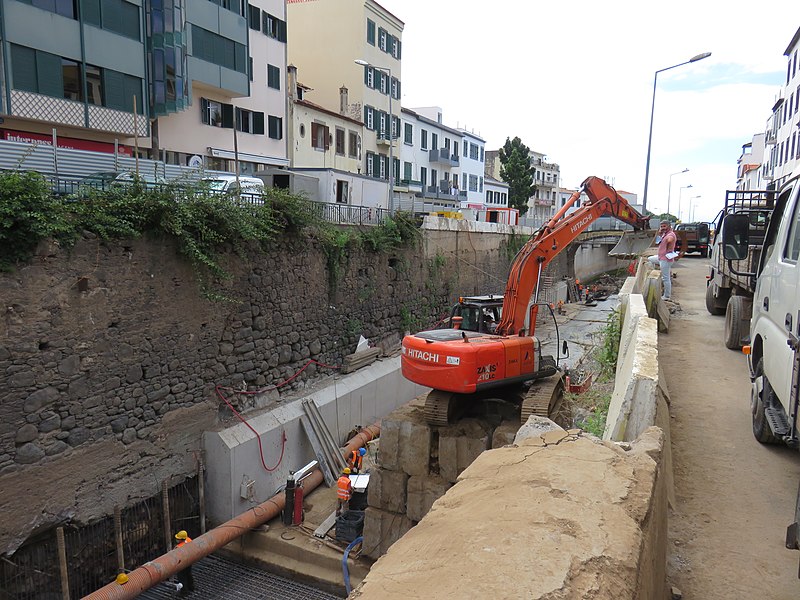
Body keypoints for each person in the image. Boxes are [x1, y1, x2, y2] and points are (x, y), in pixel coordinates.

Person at [648, 220, 678, 300]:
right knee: (649, 259)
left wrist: (669, 240)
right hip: (660, 257)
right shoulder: (664, 234)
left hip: (665, 259)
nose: (663, 228)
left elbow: (670, 240)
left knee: (666, 278)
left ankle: (667, 296)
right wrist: (660, 233)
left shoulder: (671, 234)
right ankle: (654, 273)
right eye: (661, 226)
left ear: (669, 226)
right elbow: (658, 242)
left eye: (664, 226)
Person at [174, 530, 195, 595]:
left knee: (182, 577)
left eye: (178, 538)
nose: (176, 539)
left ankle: (184, 592)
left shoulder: (178, 547)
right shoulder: (188, 539)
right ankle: (191, 587)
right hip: (189, 561)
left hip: (182, 563)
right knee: (188, 574)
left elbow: (175, 556)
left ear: (181, 539)